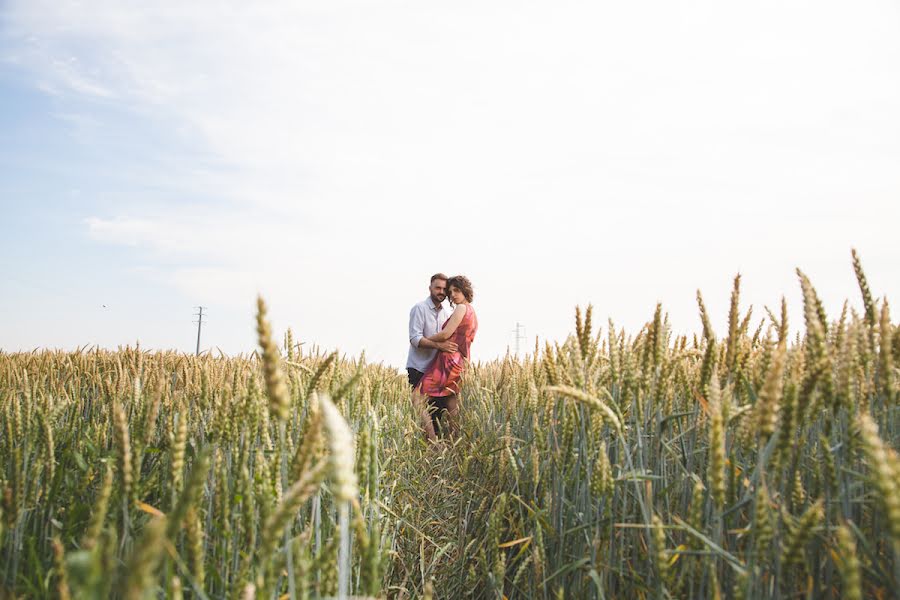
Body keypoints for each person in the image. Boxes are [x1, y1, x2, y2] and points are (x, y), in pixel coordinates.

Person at [415, 275, 478, 440]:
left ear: (465, 290)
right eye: (451, 292)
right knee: (451, 402)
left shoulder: (461, 308)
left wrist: (426, 340)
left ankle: (433, 441)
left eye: (457, 290)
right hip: (461, 362)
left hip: (448, 361)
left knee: (416, 397)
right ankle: (454, 444)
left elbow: (445, 334)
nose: (453, 295)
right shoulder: (472, 311)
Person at [407, 274, 458, 433]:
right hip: (419, 369)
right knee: (421, 412)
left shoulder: (446, 314)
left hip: (438, 371)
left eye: (444, 289)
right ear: (430, 288)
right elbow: (415, 339)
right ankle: (425, 451)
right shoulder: (419, 309)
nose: (441, 291)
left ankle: (435, 450)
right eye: (438, 288)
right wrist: (439, 345)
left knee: (436, 416)